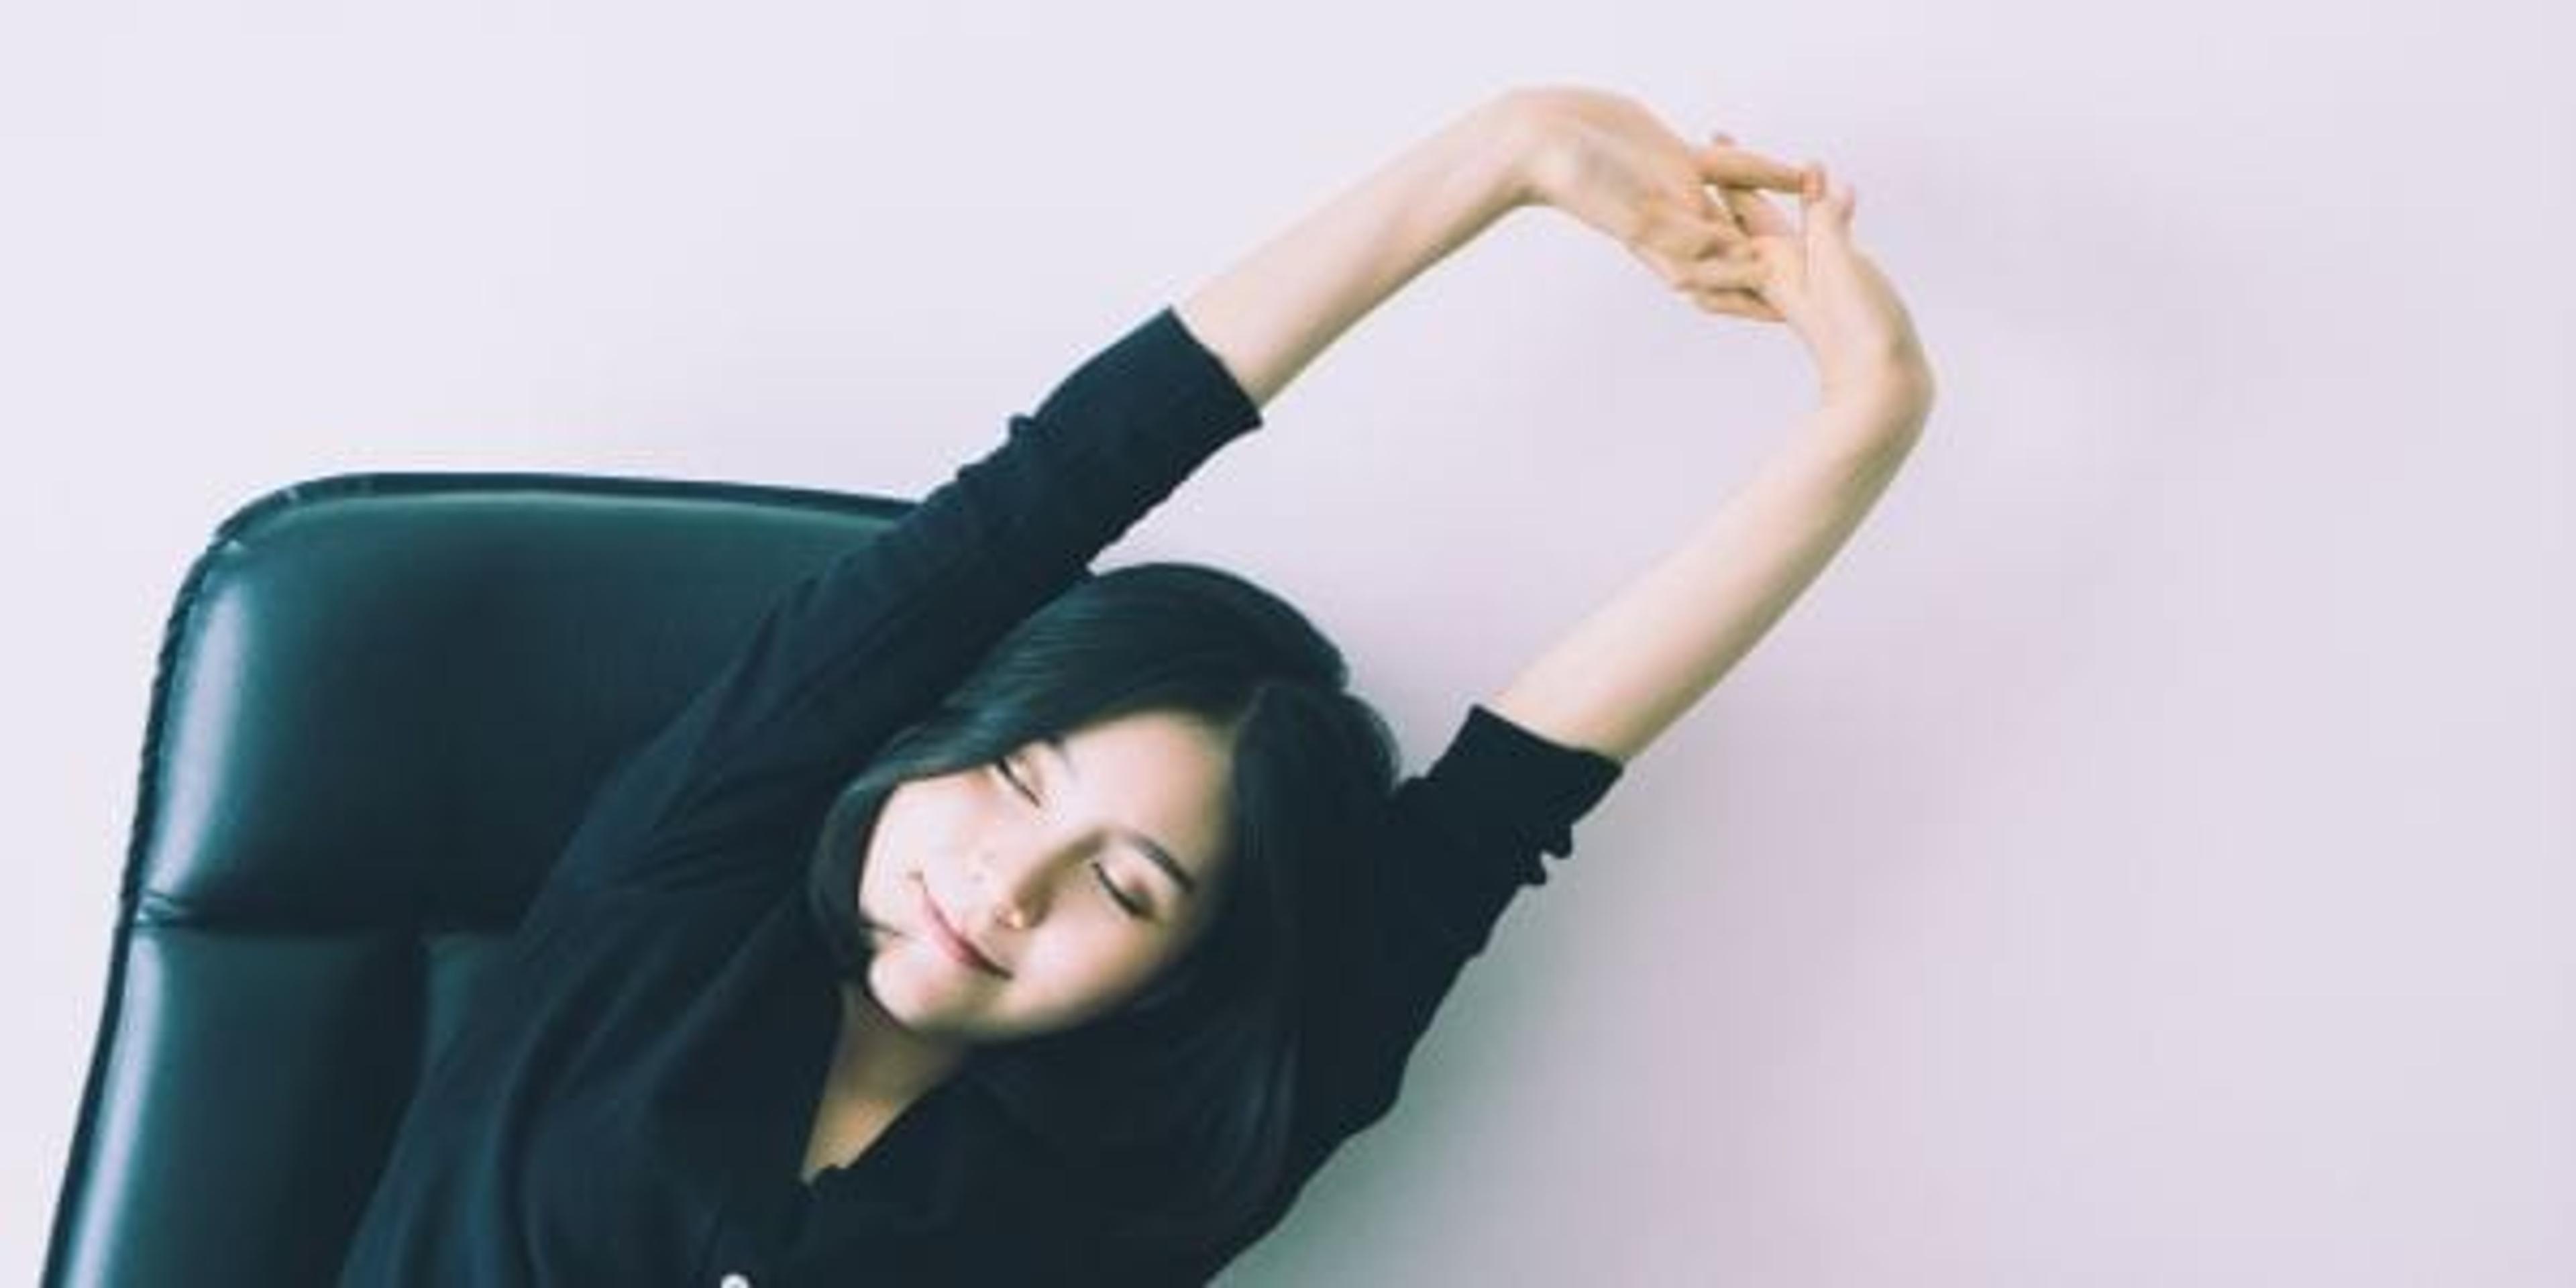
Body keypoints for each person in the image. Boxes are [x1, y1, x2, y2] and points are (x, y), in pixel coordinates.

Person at [335, 84, 1934, 1286]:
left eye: (1126, 882)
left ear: (1184, 973)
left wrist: (1865, 417)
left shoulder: (1160, 1165)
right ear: (936, 736)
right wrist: (1503, 156)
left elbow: (1528, 780)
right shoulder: (676, 891)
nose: (1007, 882)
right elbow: (1044, 493)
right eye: (1022, 777)